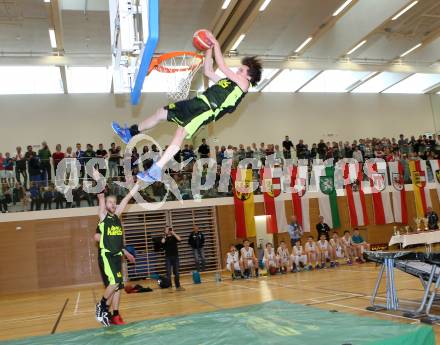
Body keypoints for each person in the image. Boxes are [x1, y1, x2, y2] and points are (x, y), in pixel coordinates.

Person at [111, 30, 262, 183]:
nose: (237, 70)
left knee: (181, 132)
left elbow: (222, 66)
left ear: (249, 76)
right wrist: (208, 48)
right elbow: (208, 71)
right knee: (161, 112)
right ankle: (130, 132)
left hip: (207, 110)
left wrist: (215, 42)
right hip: (197, 102)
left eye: (241, 70)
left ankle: (156, 170)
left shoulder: (244, 84)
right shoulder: (229, 82)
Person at [94, 169, 138, 327]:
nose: (113, 204)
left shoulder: (117, 217)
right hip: (107, 255)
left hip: (116, 256)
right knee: (113, 283)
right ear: (105, 206)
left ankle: (107, 310)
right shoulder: (103, 217)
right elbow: (100, 196)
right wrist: (98, 179)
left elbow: (127, 198)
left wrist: (137, 185)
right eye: (110, 202)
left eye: (114, 202)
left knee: (118, 284)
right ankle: (102, 306)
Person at [162, 226, 185, 291]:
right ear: (164, 231)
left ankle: (178, 286)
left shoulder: (174, 237)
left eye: (170, 229)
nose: (169, 230)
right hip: (168, 257)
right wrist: (165, 234)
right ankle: (170, 286)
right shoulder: (164, 237)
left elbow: (179, 239)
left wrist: (173, 233)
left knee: (177, 272)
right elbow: (162, 242)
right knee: (168, 273)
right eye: (167, 229)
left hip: (175, 257)